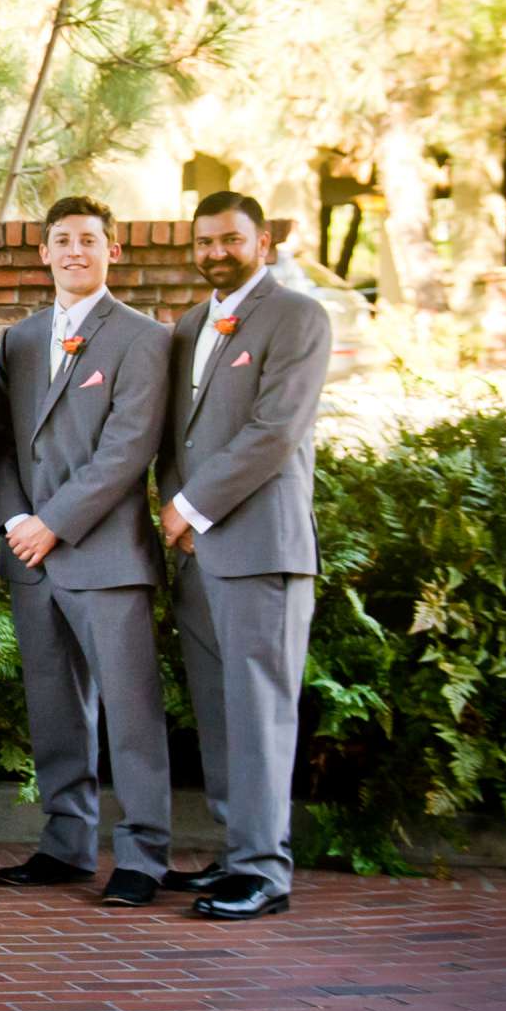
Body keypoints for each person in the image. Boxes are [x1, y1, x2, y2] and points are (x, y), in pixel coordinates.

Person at [0, 197, 174, 907]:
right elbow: (1, 443)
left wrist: (54, 523)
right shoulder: (24, 340)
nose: (74, 251)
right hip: (31, 557)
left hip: (105, 555)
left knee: (130, 711)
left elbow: (128, 449)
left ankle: (145, 856)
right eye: (61, 240)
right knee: (55, 710)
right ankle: (65, 844)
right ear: (44, 252)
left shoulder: (142, 339)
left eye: (88, 240)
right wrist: (15, 523)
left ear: (112, 251)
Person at [158, 191, 331, 922]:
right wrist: (179, 516)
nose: (215, 253)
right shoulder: (192, 323)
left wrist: (189, 506)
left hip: (262, 548)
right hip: (200, 552)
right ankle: (237, 850)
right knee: (221, 710)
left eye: (230, 240)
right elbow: (177, 439)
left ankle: (265, 869)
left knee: (260, 710)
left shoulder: (299, 317)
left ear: (263, 241)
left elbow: (274, 430)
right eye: (203, 242)